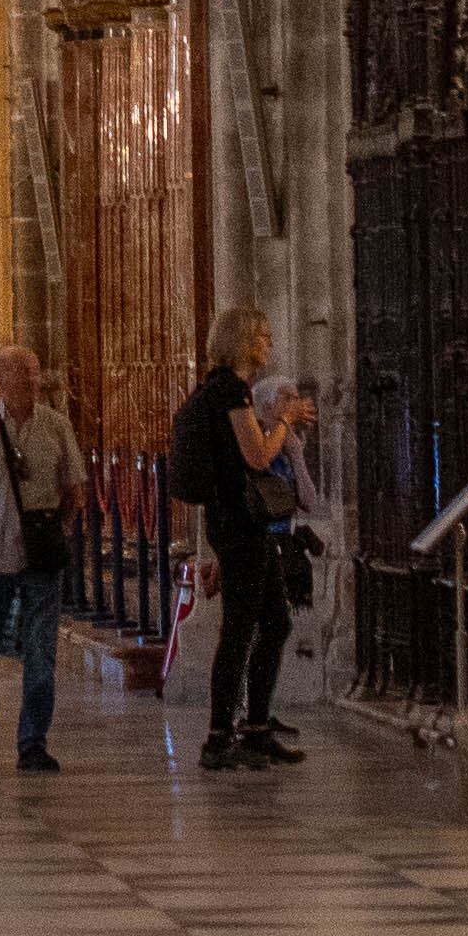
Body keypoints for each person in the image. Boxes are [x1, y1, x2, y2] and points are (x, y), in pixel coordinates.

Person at [170, 306, 316, 767]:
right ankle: (219, 737)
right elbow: (256, 455)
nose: (270, 342)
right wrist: (284, 423)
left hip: (237, 523)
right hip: (240, 523)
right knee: (241, 630)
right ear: (243, 340)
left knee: (273, 622)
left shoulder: (216, 389)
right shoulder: (231, 389)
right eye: (264, 335)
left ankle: (254, 727)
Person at [0, 341, 87, 768]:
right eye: (20, 371)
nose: (31, 378)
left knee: (41, 650)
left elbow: (75, 490)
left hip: (39, 559)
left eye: (35, 369)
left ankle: (32, 742)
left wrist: (59, 531)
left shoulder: (56, 425)